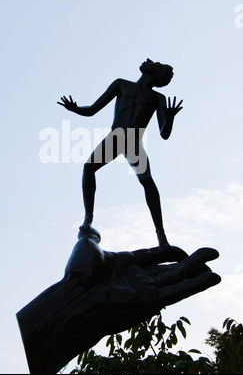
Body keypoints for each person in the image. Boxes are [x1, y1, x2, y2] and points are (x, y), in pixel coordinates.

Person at [57, 58, 183, 250]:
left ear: (157, 74)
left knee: (147, 182)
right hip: (116, 137)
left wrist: (170, 118)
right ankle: (88, 218)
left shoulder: (157, 98)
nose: (151, 63)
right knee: (89, 168)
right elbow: (92, 110)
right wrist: (75, 109)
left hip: (133, 141)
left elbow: (164, 134)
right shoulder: (121, 84)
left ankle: (161, 236)